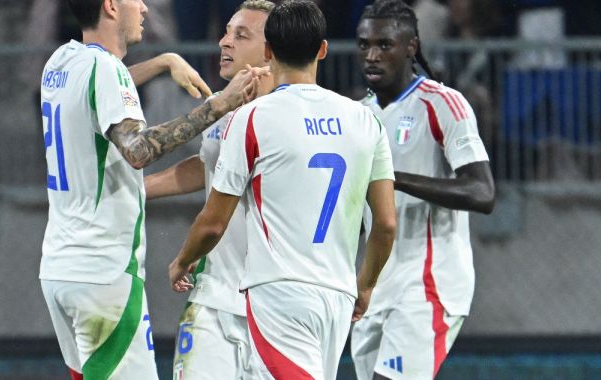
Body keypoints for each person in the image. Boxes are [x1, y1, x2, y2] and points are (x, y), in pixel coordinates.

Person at [168, 1, 397, 379]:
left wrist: (181, 260)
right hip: (336, 296)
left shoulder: (254, 116)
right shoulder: (365, 119)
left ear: (269, 51)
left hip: (279, 293)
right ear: (323, 49)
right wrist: (367, 284)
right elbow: (385, 224)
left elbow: (212, 222)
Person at [38, 0, 264, 379]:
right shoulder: (105, 70)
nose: (143, 7)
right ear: (111, 6)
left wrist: (162, 62)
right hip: (104, 273)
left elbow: (103, 85)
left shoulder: (61, 61)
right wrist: (218, 105)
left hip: (60, 270)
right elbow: (138, 150)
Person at [349, 1, 495, 379]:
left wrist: (392, 177)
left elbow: (482, 192)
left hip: (429, 281)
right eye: (364, 45)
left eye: (384, 45)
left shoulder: (443, 103)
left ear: (411, 46)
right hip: (374, 285)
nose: (372, 55)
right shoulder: (356, 115)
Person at [144, 1, 275, 379]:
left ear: (270, 49)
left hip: (275, 305)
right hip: (215, 297)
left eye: (240, 35)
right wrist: (138, 190)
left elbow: (214, 219)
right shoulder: (225, 113)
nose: (224, 42)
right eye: (226, 32)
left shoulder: (288, 116)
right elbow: (207, 164)